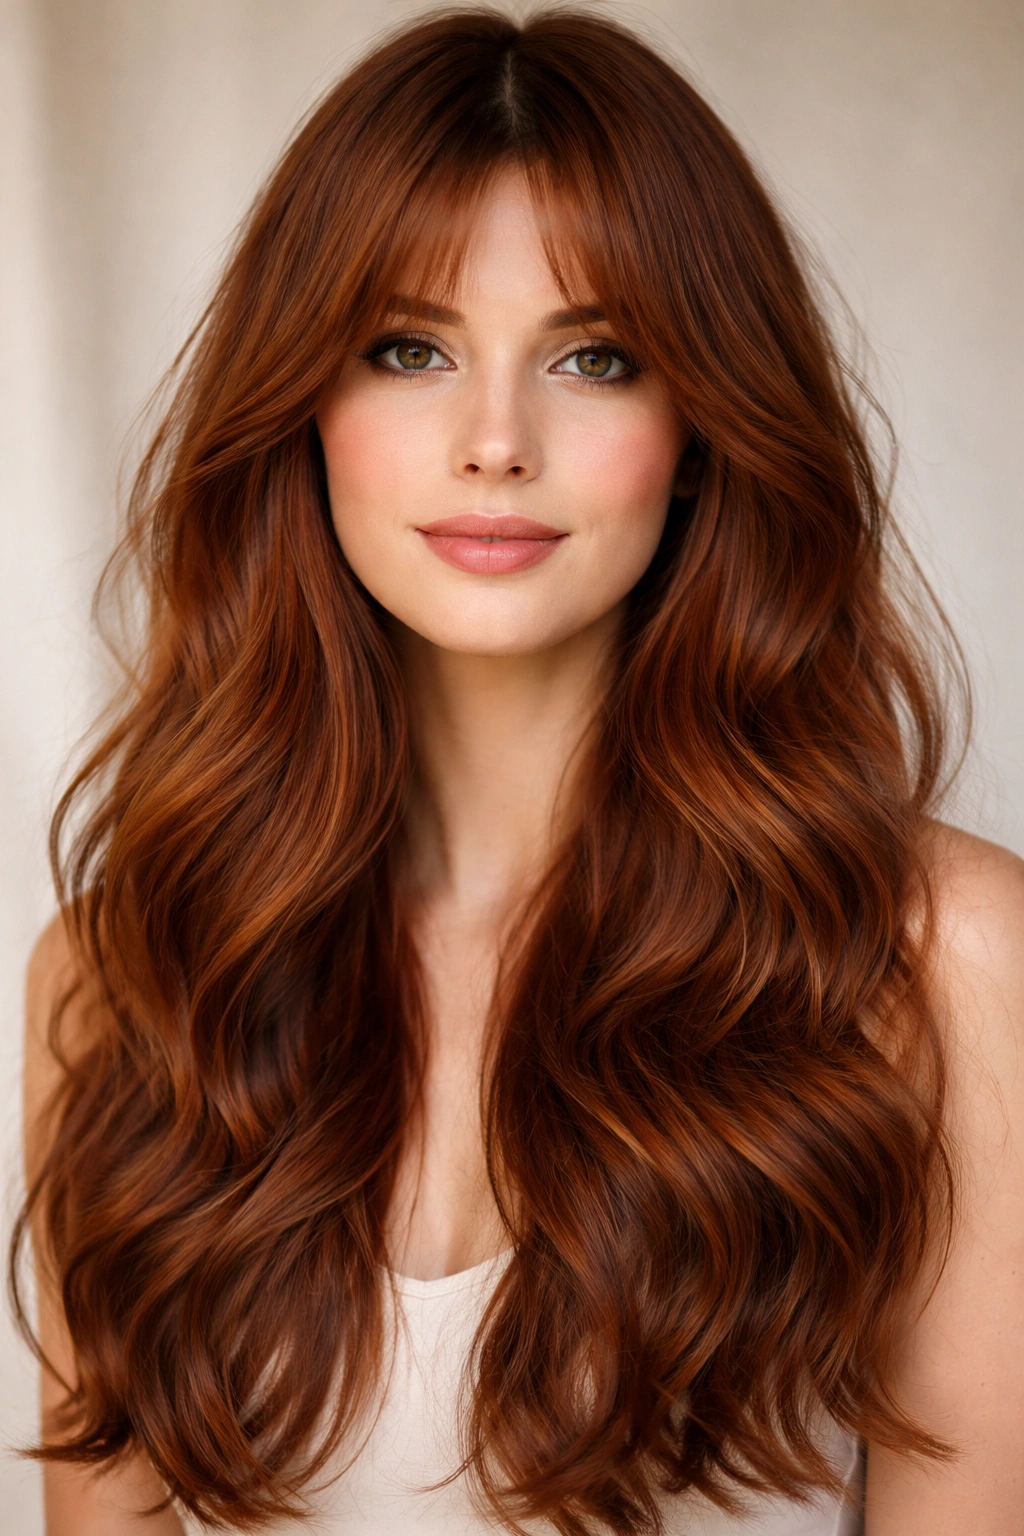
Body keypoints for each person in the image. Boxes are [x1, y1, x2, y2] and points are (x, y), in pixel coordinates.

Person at [14, 8, 1024, 1535]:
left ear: (700, 426)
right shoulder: (127, 977)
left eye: (595, 357)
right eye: (409, 349)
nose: (496, 441)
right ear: (304, 407)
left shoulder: (942, 964)